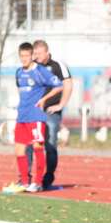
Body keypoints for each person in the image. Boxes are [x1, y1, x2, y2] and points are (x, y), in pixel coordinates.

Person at [4, 42, 63, 194]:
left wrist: (44, 99)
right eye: (21, 56)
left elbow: (59, 85)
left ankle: (37, 183)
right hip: (22, 117)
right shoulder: (18, 72)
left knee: (38, 147)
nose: (24, 59)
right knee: (19, 151)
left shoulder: (40, 71)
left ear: (32, 56)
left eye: (27, 56)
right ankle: (24, 182)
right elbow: (21, 92)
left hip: (36, 116)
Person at [32, 40, 73, 189]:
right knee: (32, 145)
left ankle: (48, 177)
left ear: (47, 52)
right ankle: (29, 179)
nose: (36, 56)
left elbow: (68, 85)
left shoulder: (57, 66)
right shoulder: (33, 66)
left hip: (50, 111)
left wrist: (60, 105)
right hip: (34, 112)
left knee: (50, 144)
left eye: (39, 53)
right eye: (34, 53)